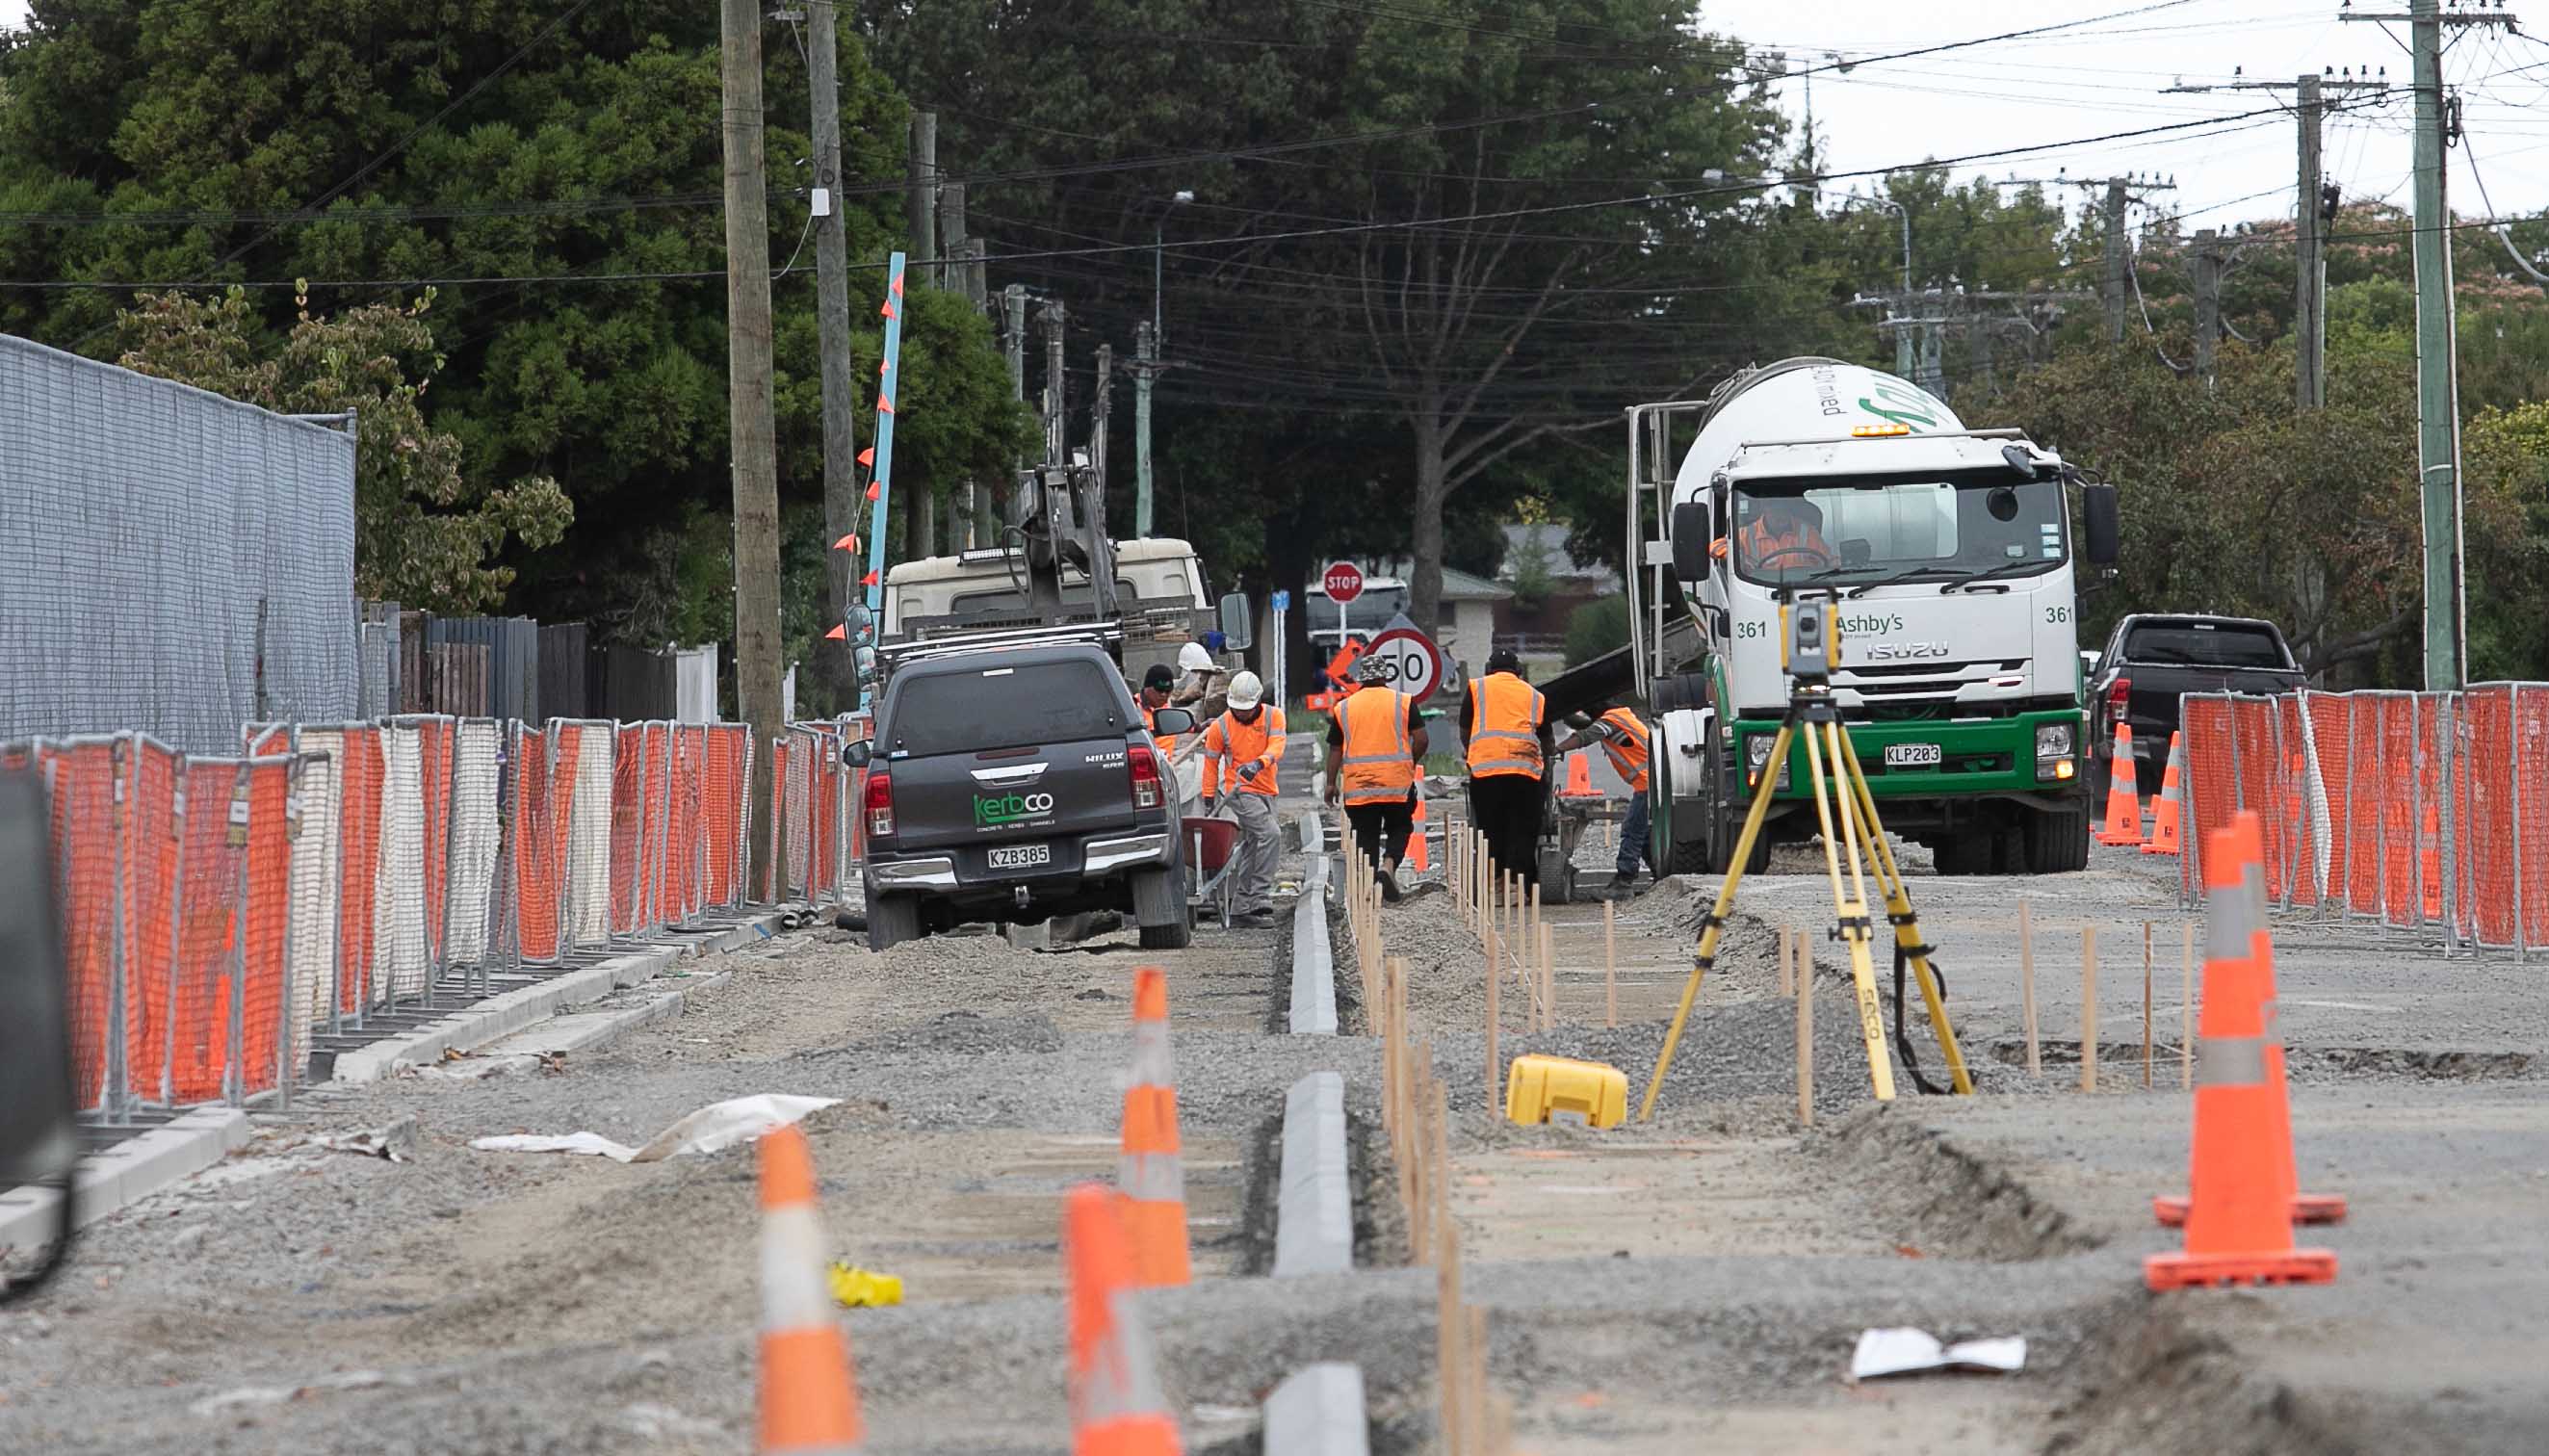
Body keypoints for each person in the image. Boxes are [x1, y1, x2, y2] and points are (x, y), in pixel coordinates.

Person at [1324, 654, 1427, 902]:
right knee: (1400, 827)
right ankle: (1389, 866)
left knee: (1365, 836)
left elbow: (1335, 749)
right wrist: (1408, 763)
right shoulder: (1403, 702)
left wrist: (1330, 783)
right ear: (1385, 676)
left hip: (1360, 787)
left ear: (1361, 678)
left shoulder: (1344, 708)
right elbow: (1422, 739)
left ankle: (1370, 890)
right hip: (1396, 785)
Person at [1201, 670, 1286, 928]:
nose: (1242, 714)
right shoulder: (1221, 726)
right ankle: (1259, 896)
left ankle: (1240, 908)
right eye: (1238, 709)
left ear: (1258, 701)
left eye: (1246, 709)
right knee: (1271, 835)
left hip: (1266, 787)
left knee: (1252, 844)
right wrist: (1207, 796)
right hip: (1238, 790)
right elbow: (1210, 764)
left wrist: (1259, 763)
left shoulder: (1274, 716)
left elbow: (1277, 746)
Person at [1461, 648, 1550, 891]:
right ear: (1519, 672)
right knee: (1524, 826)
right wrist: (1547, 763)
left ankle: (1496, 880)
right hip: (1525, 771)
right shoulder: (1534, 696)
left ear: (1489, 669)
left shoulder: (1477, 688)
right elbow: (1546, 737)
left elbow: (1464, 729)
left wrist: (1471, 752)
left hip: (1486, 770)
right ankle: (1520, 883)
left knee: (1491, 826)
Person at [1554, 705, 1653, 897]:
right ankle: (1659, 876)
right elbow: (1585, 726)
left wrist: (1558, 748)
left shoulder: (1612, 720)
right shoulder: (1622, 717)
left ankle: (1623, 883)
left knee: (1632, 831)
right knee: (1645, 834)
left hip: (1647, 783)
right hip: (1652, 783)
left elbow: (1586, 735)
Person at [1139, 663, 1205, 820]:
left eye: (1168, 692)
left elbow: (1175, 724)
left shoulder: (1164, 706)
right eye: (1159, 691)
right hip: (1148, 775)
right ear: (1147, 688)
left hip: (1168, 768)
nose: (1164, 695)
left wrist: (1199, 727)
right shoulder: (1135, 711)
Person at [1739, 495, 1834, 573]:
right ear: (1763, 509)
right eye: (1774, 509)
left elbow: (1828, 561)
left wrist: (1838, 566)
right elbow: (1725, 547)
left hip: (1803, 586)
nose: (1780, 514)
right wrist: (1728, 555)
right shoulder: (1744, 534)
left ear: (1790, 509)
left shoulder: (1807, 531)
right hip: (1759, 589)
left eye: (1784, 508)